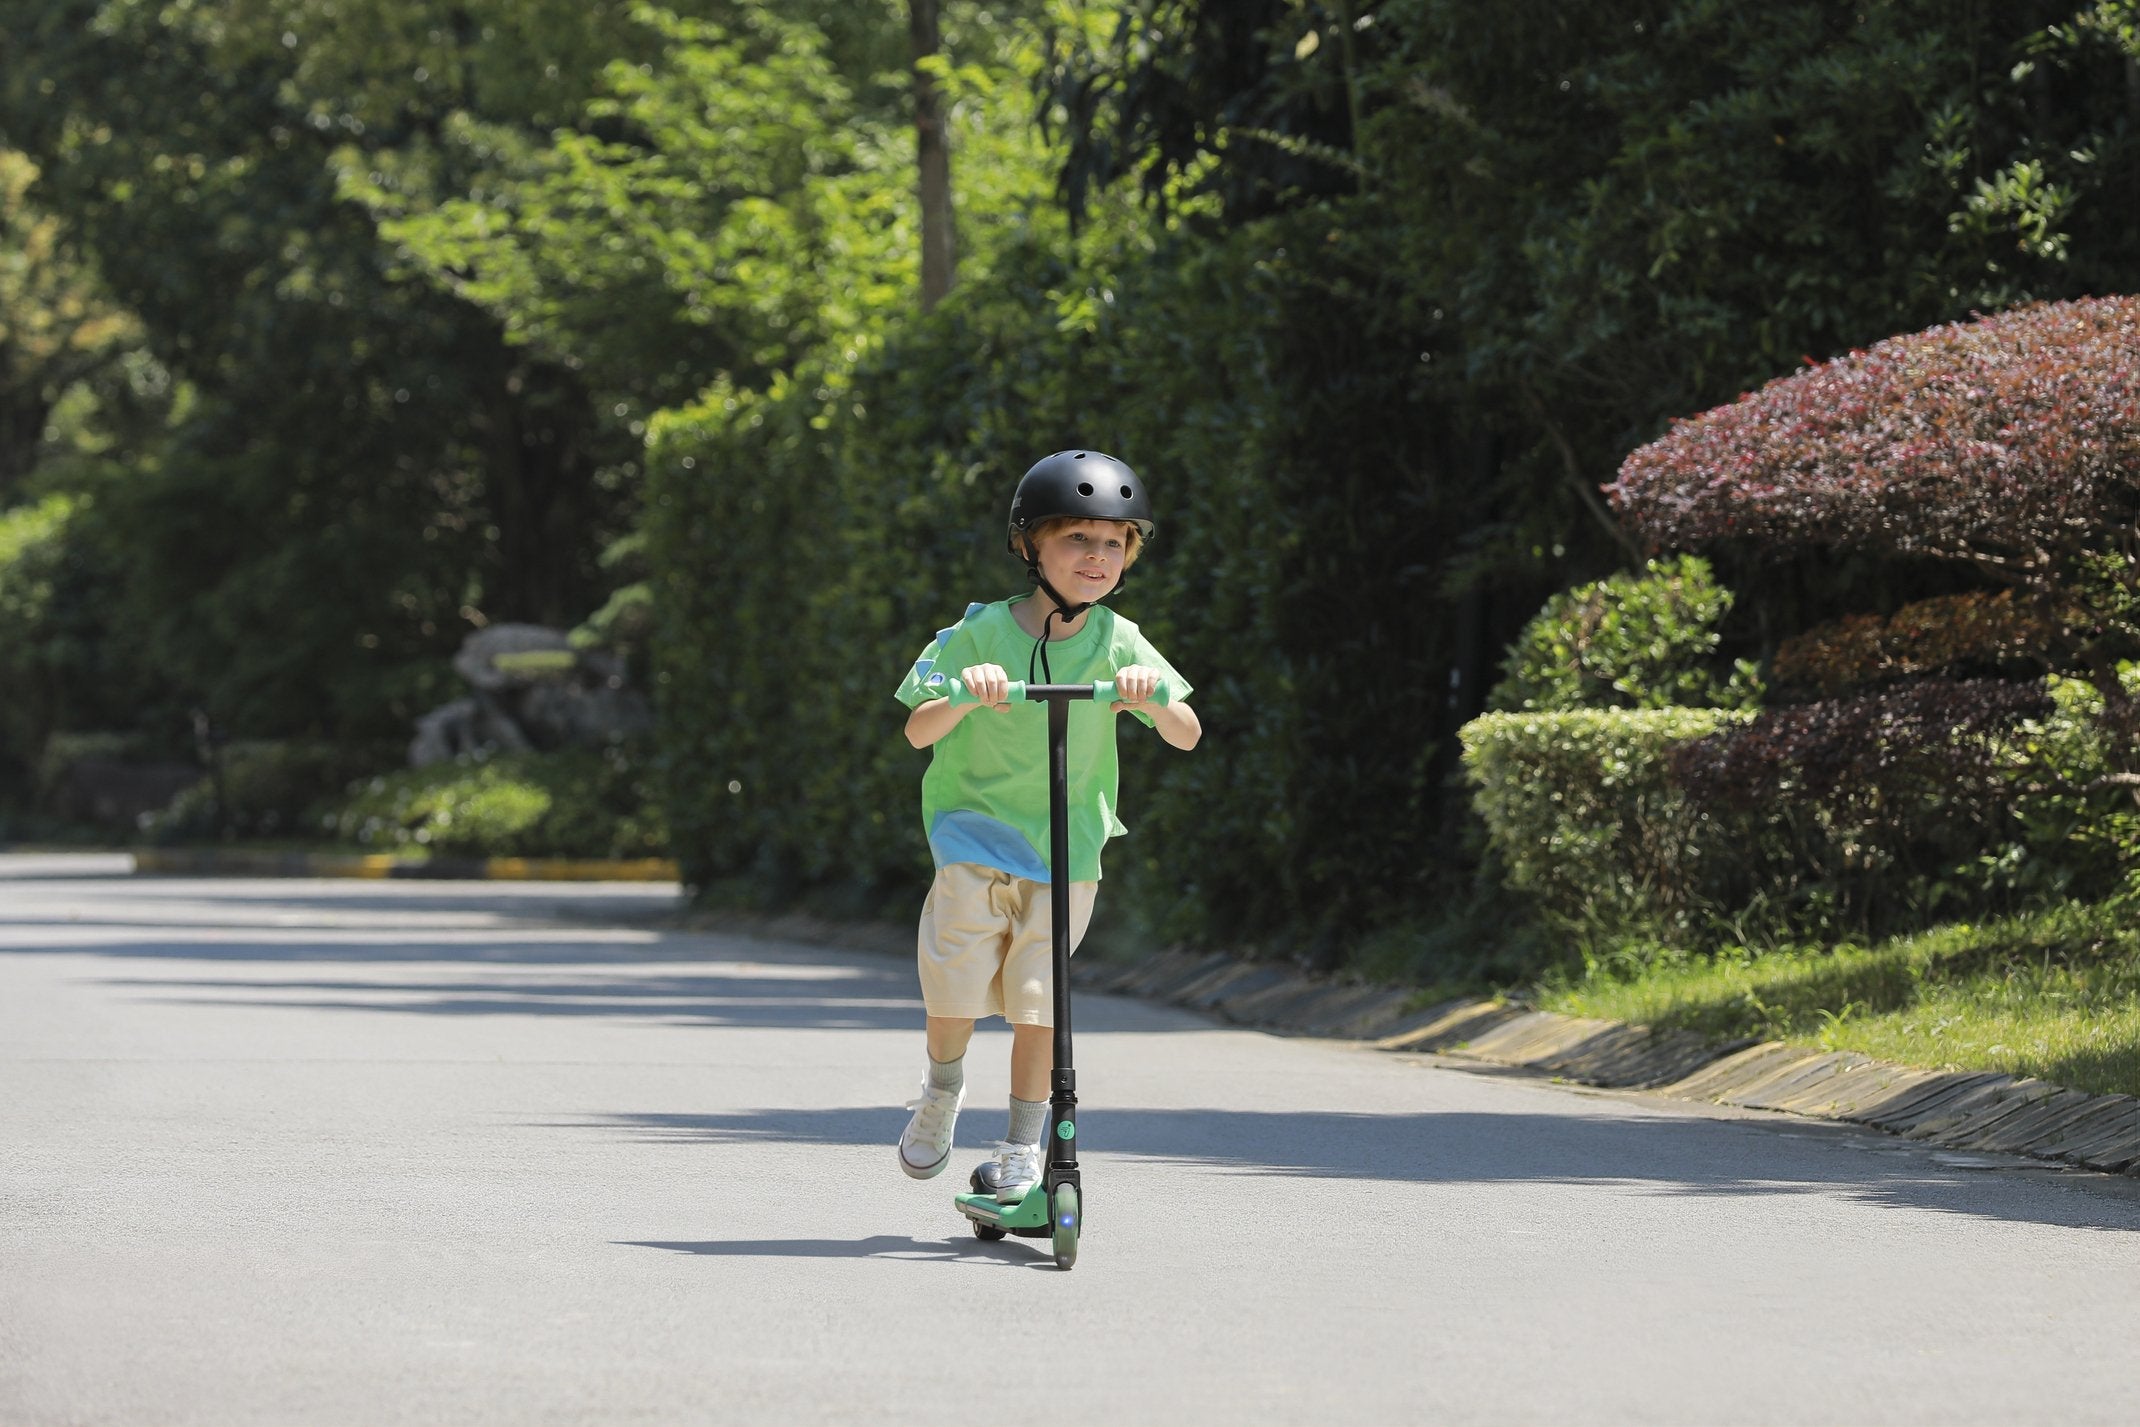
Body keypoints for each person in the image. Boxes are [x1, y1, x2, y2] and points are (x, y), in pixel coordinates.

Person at [892, 449, 1201, 1201]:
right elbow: (919, 729)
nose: (1096, 558)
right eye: (1077, 540)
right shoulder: (976, 633)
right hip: (973, 834)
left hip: (1069, 849)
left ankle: (1023, 1149)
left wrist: (1150, 697)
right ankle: (941, 1089)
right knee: (956, 985)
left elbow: (1187, 730)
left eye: (1113, 543)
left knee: (1040, 1003)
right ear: (1031, 545)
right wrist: (968, 693)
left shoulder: (1121, 640)